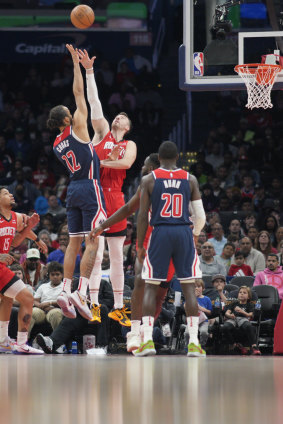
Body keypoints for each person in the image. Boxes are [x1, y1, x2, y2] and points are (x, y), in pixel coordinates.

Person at [77, 48, 137, 327]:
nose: (118, 117)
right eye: (118, 115)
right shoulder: (100, 133)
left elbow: (125, 165)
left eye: (123, 117)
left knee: (116, 256)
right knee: (96, 253)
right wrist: (89, 71)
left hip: (116, 199)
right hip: (96, 196)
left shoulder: (129, 145)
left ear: (128, 127)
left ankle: (118, 306)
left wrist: (102, 161)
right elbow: (94, 101)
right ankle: (94, 304)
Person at [47, 44, 107, 322]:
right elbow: (79, 93)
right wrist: (78, 65)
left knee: (73, 243)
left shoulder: (57, 143)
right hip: (90, 186)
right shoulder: (78, 126)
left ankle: (66, 289)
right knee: (94, 239)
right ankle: (81, 291)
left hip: (71, 190)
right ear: (68, 119)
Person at [90, 154, 173, 352]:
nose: (142, 168)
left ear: (153, 165)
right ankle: (134, 332)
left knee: (161, 293)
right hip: (149, 239)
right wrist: (103, 225)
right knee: (140, 282)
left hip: (172, 240)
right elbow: (128, 208)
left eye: (145, 165)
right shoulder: (145, 185)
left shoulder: (175, 183)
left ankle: (146, 331)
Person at [135, 141, 206, 357]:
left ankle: (146, 341)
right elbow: (201, 217)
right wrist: (194, 235)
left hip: (160, 232)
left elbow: (141, 216)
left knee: (150, 287)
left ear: (160, 158)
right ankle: (194, 342)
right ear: (177, 158)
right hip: (183, 231)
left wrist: (139, 245)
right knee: (188, 288)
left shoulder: (149, 179)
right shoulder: (190, 179)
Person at [0, 186, 47, 354]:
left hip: (2, 267)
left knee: (7, 299)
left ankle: (4, 340)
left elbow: (15, 241)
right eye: (5, 193)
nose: (10, 194)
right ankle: (20, 342)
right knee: (27, 298)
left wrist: (36, 238)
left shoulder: (15, 217)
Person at [222, 286, 260, 355]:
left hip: (243, 318)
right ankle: (234, 344)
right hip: (233, 318)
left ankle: (254, 347)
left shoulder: (250, 304)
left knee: (249, 326)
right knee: (225, 327)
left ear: (248, 297)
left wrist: (242, 311)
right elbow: (227, 312)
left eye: (244, 293)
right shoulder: (234, 303)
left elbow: (250, 315)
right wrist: (230, 315)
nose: (241, 294)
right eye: (240, 292)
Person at [29, 261, 64, 336]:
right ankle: (24, 341)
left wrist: (49, 303)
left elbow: (65, 303)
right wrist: (40, 305)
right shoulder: (43, 286)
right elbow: (35, 301)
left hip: (55, 309)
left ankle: (58, 343)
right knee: (31, 311)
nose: (55, 277)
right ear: (49, 275)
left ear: (62, 275)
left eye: (57, 274)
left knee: (56, 313)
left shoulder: (65, 287)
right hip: (41, 310)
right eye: (53, 274)